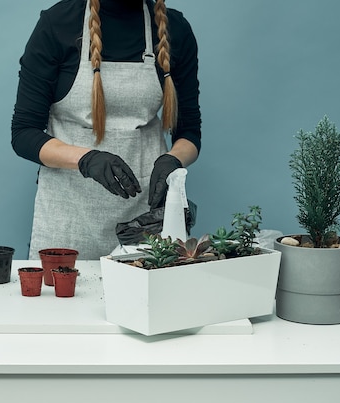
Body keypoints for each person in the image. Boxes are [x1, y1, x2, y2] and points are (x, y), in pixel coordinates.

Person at [11, 0, 201, 260]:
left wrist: (173, 159)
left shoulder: (173, 29)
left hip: (145, 222)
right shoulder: (58, 23)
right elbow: (24, 133)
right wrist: (87, 159)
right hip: (68, 219)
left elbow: (189, 132)